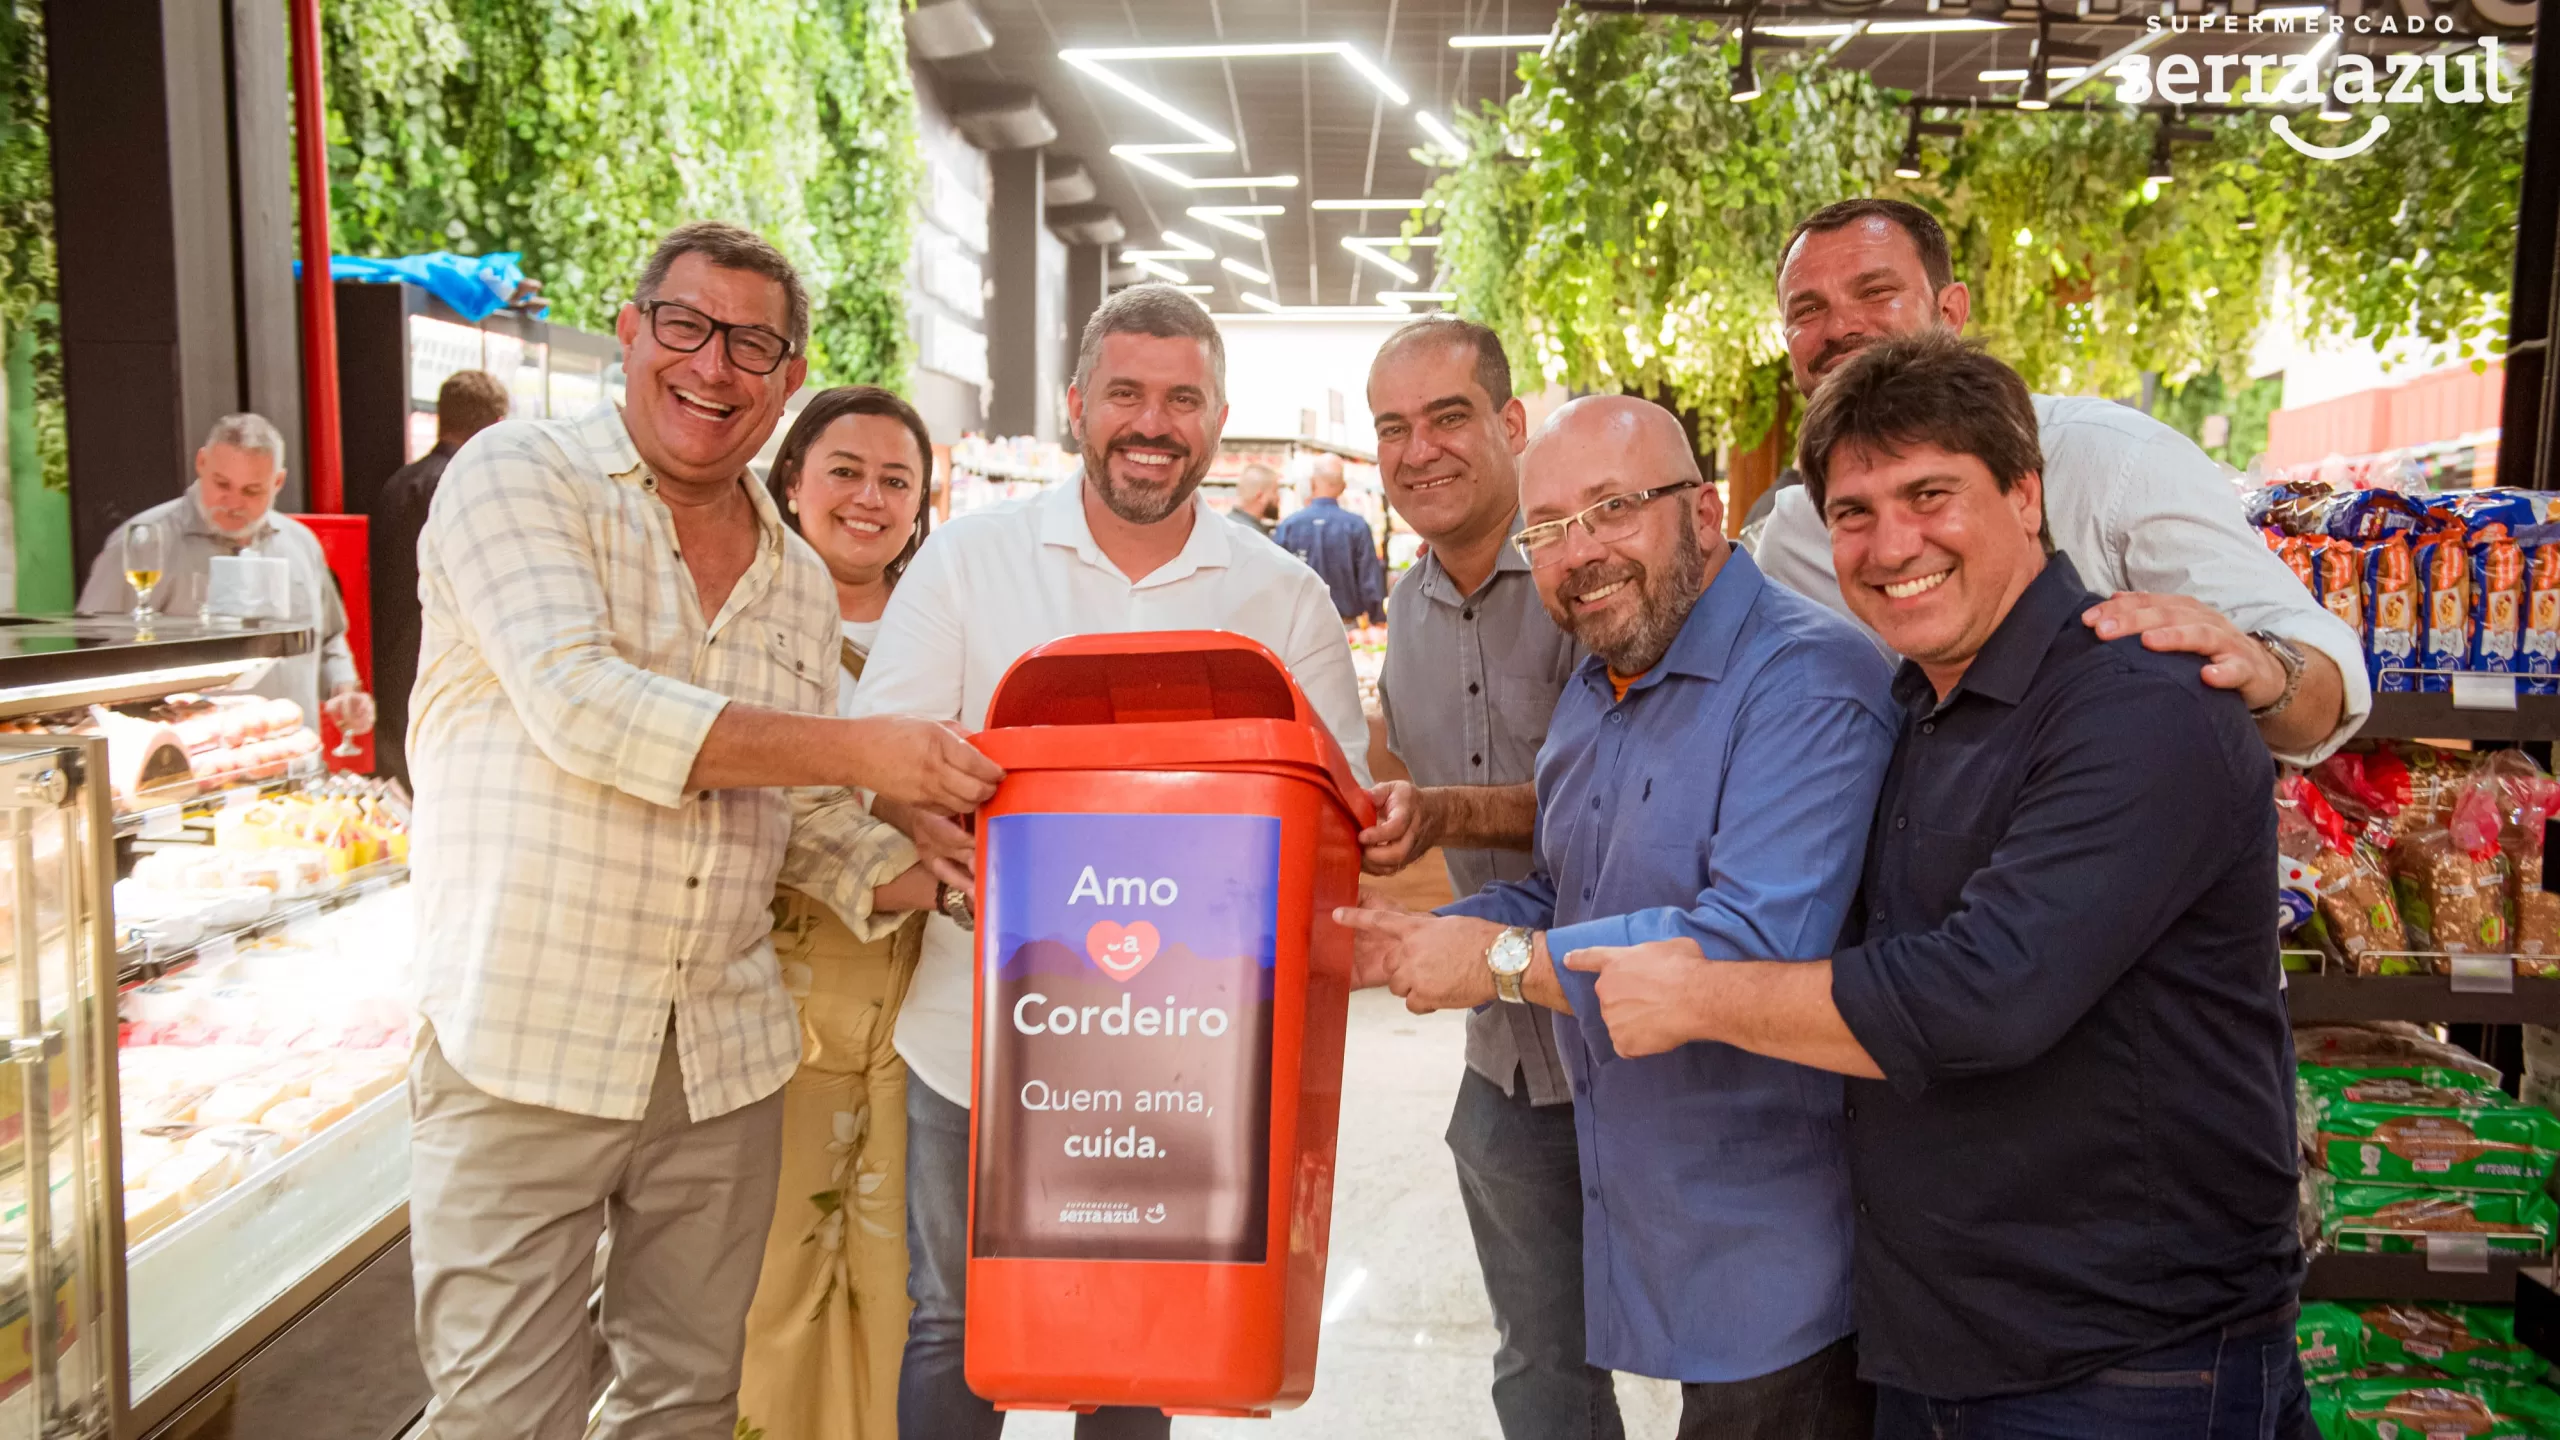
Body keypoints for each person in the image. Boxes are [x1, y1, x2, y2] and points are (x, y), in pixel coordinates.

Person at [1571, 334, 2304, 1432]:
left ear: (2022, 494)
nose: (1888, 542)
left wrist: (1697, 993)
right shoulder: (1915, 704)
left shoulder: (2140, 704)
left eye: (1929, 494)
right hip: (1935, 1342)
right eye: (1854, 511)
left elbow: (1985, 993)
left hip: (2122, 1363)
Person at [404, 220, 1001, 1440]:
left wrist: (945, 874)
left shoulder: (786, 571)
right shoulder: (520, 478)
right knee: (500, 1413)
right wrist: (864, 751)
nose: (714, 366)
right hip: (527, 1040)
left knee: (686, 1401)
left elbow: (778, 809)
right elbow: (581, 705)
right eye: (686, 326)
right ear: (630, 331)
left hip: (723, 1058)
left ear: (787, 378)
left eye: (753, 344)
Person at [853, 283, 1369, 1440]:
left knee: (1144, 1340)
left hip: (1192, 1061)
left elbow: (1337, 816)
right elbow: (882, 757)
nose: (1153, 422)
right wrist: (924, 826)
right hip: (974, 1042)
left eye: (1182, 399)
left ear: (1218, 418)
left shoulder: (1279, 596)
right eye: (1127, 394)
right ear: (1078, 404)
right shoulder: (971, 564)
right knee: (950, 1321)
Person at [1340, 394, 1895, 1437]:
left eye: (1612, 508)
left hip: (1778, 1257)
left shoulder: (1808, 680)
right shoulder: (1601, 689)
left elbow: (1741, 952)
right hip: (1652, 1203)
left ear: (1703, 512)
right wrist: (1405, 942)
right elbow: (1576, 890)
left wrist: (1498, 960)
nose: (1577, 552)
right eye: (1546, 529)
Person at [1754, 197, 2366, 767]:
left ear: (1950, 313)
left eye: (1876, 292)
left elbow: (2324, 692)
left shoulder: (2114, 458)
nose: (1840, 328)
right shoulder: (1794, 538)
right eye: (1808, 310)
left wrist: (2263, 669)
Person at [1354, 315, 1606, 1439]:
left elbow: (1633, 802)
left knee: (1736, 1374)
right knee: (1540, 1371)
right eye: (1392, 429)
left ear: (1510, 423)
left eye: (1447, 417)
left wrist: (1446, 811)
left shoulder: (1588, 573)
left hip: (1640, 1040)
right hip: (1503, 1063)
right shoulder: (1405, 606)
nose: (1419, 452)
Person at [735, 385, 938, 1440]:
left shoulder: (944, 620)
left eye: (895, 480)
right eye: (844, 472)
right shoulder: (739, 617)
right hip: (775, 994)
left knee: (896, 1272)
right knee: (769, 1271)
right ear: (792, 483)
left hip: (923, 989)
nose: (869, 498)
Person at [81, 412, 378, 744]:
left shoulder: (302, 543)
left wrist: (344, 689)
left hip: (294, 759)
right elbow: (94, 648)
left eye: (252, 491)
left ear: (278, 482)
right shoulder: (142, 541)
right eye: (222, 485)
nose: (234, 503)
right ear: (201, 463)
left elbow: (329, 637)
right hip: (192, 765)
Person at [373, 369, 511, 785]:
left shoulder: (397, 483)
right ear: (494, 425)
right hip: (441, 661)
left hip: (389, 655)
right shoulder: (466, 484)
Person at [1274, 453, 1387, 626]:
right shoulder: (1357, 526)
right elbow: (1370, 581)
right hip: (1345, 626)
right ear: (1343, 487)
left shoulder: (1289, 526)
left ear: (1312, 483)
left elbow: (1277, 577)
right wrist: (1377, 617)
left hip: (1299, 626)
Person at [1230, 461, 1282, 539]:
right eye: (1275, 491)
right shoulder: (1255, 537)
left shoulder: (1225, 525)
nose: (1278, 498)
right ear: (1260, 496)